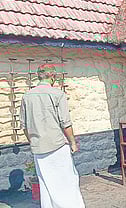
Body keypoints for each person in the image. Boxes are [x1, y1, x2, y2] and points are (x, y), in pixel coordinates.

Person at [19, 64, 85, 208]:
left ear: (39, 76)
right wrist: (73, 142)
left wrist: (33, 141)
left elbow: (24, 126)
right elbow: (65, 123)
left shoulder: (26, 96)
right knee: (67, 180)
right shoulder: (57, 94)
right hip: (57, 145)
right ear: (53, 76)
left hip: (38, 147)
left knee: (46, 182)